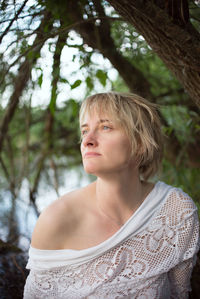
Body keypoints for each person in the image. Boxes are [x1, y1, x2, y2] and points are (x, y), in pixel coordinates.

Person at [23, 92, 199, 298]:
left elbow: (179, 294)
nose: (87, 140)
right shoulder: (56, 220)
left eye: (105, 127)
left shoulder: (177, 212)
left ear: (140, 143)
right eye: (85, 130)